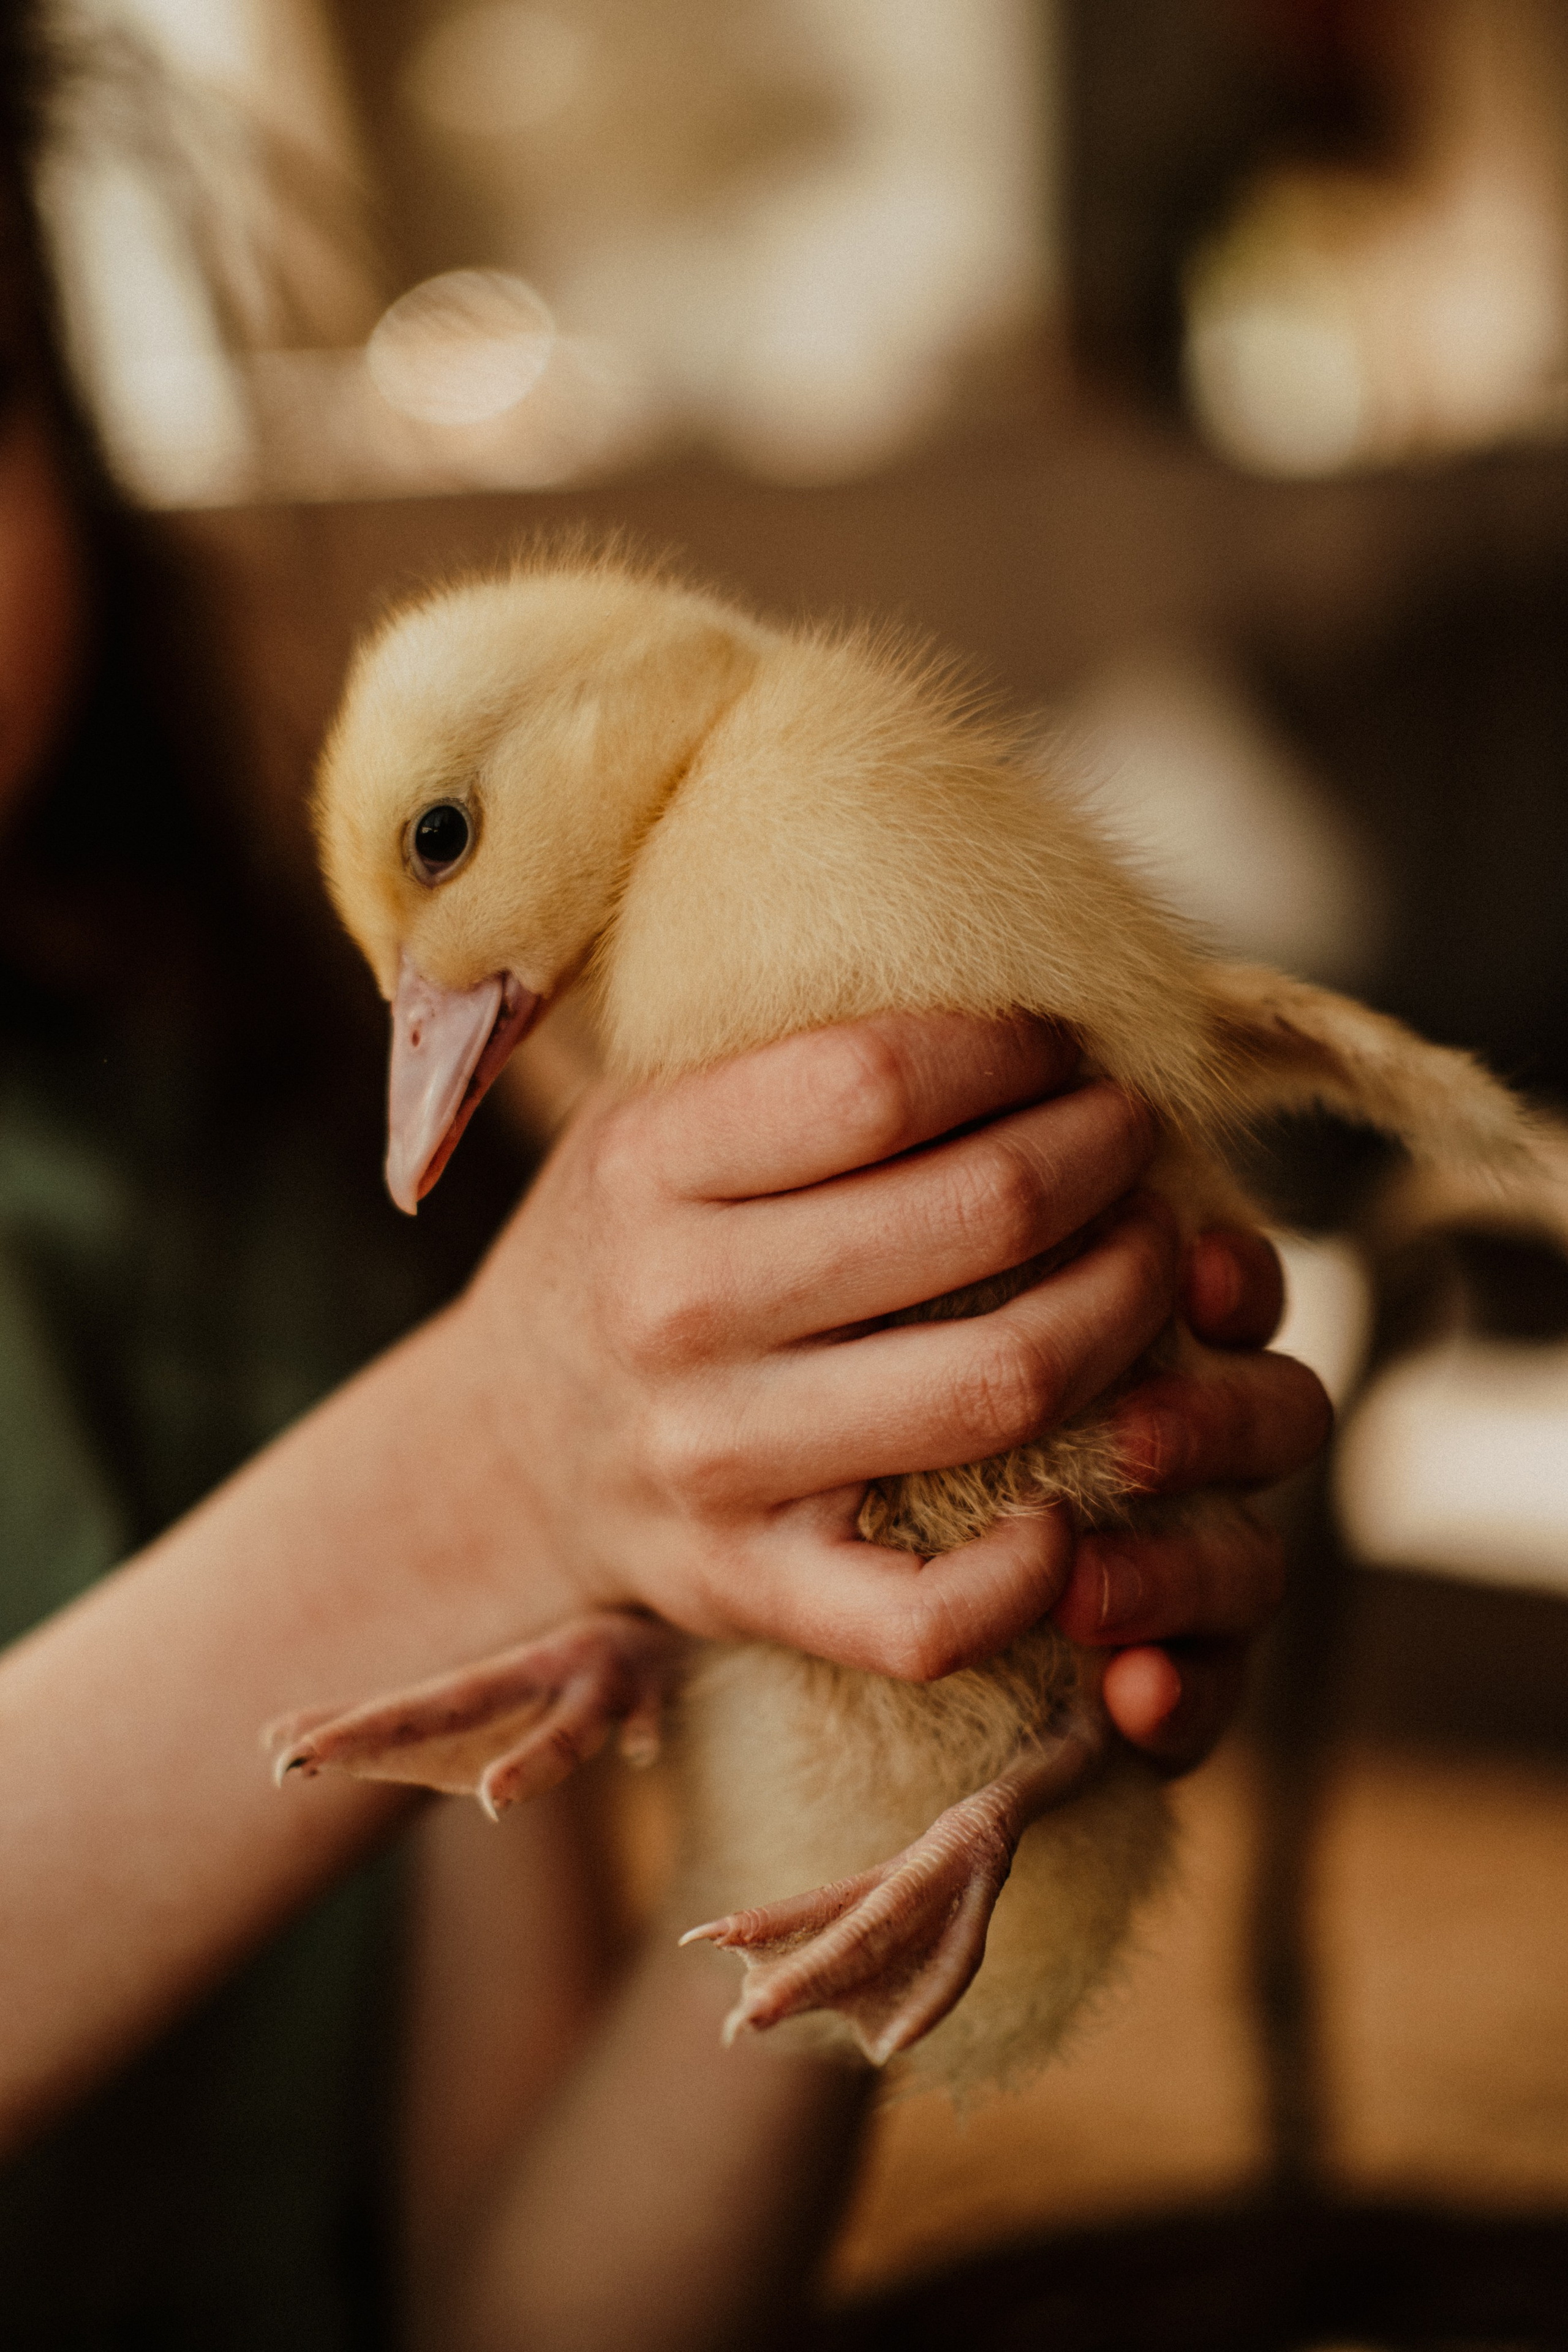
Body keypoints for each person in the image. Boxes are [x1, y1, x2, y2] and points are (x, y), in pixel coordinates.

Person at [0, 12, 1330, 2342]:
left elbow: (527, 2301)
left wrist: (855, 1745)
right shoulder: (430, 1304)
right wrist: (483, 1482)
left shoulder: (278, 1178)